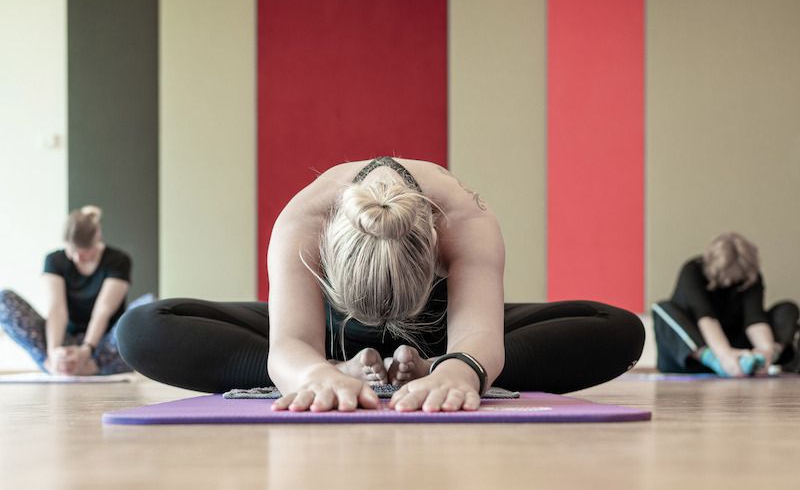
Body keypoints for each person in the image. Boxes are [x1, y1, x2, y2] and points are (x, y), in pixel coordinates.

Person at [118, 157, 644, 412]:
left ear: (435, 249)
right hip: (329, 336)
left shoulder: (465, 219)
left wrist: (460, 367)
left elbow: (478, 330)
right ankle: (334, 373)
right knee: (143, 329)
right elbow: (289, 343)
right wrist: (314, 368)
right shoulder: (303, 221)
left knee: (615, 329)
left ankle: (433, 373)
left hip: (440, 333)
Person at [0, 206, 133, 376]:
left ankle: (93, 367)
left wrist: (86, 350)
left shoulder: (118, 260)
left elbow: (103, 310)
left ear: (97, 236)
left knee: (146, 307)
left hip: (103, 344)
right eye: (72, 251)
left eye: (84, 253)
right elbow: (56, 308)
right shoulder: (54, 260)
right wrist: (53, 351)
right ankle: (55, 365)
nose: (78, 258)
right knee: (4, 299)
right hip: (65, 340)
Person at [652, 232, 799, 376]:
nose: (731, 283)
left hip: (736, 352)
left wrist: (766, 351)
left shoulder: (750, 275)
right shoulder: (692, 270)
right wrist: (724, 355)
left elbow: (755, 319)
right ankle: (712, 359)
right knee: (662, 308)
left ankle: (766, 358)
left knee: (787, 309)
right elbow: (705, 316)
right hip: (694, 353)